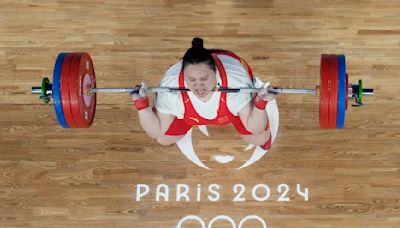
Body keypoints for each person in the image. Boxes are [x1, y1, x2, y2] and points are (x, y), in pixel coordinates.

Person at [131, 37, 275, 149]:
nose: (198, 86)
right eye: (191, 79)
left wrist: (260, 103)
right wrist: (141, 104)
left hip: (231, 96)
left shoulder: (236, 84)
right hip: (190, 113)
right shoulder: (170, 86)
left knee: (258, 137)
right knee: (163, 139)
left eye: (204, 79)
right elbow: (156, 131)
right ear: (183, 73)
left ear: (215, 72)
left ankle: (257, 111)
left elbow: (254, 128)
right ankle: (185, 119)